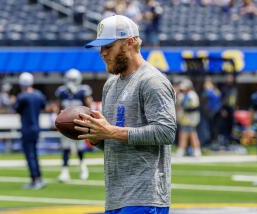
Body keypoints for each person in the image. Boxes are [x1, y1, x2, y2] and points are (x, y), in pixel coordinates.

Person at [77, 15, 176, 213]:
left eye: (108, 46)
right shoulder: (110, 84)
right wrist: (96, 136)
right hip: (116, 197)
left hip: (145, 198)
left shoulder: (152, 81)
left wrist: (111, 132)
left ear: (130, 42)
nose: (102, 53)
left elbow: (166, 132)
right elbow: (114, 140)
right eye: (100, 48)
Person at [55, 68, 93, 182]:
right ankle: (65, 171)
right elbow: (58, 108)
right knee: (65, 148)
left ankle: (83, 168)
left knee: (80, 148)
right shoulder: (62, 92)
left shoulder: (83, 90)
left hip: (80, 124)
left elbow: (88, 107)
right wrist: (58, 123)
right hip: (66, 125)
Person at [14, 72, 47, 189]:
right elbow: (44, 106)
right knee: (35, 154)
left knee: (30, 155)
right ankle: (39, 178)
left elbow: (16, 109)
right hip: (37, 128)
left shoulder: (22, 97)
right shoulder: (38, 95)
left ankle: (35, 179)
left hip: (26, 128)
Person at [176, 79, 202, 157]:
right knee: (191, 133)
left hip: (190, 118)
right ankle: (196, 151)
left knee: (186, 134)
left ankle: (182, 150)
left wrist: (182, 106)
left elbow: (192, 107)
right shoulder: (184, 94)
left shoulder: (192, 95)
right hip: (186, 118)